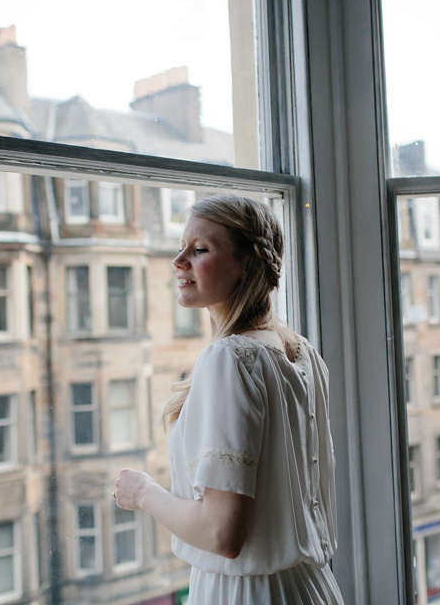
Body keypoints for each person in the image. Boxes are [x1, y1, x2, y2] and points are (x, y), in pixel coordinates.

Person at [113, 195, 343, 604]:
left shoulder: (231, 358)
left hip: (245, 594)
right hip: (312, 588)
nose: (178, 260)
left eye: (199, 250)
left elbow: (223, 534)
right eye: (181, 246)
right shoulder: (303, 352)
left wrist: (144, 493)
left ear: (247, 264)